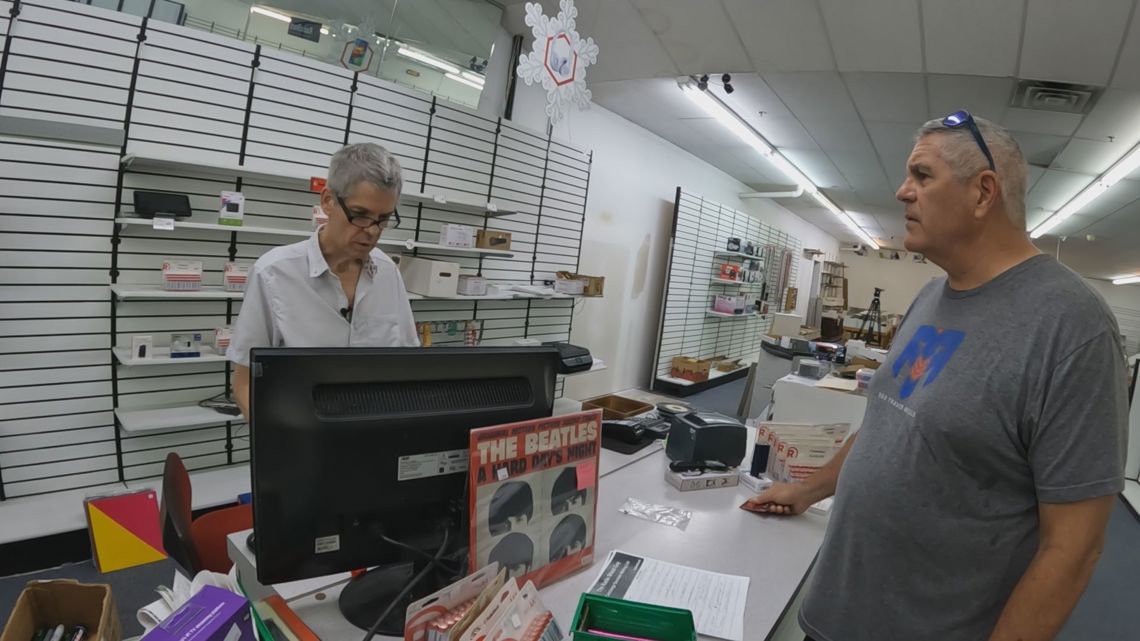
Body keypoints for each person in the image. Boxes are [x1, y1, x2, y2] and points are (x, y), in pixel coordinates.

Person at [746, 111, 1128, 641]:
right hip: (834, 613)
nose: (903, 192)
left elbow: (1073, 549)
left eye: (922, 176)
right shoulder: (931, 296)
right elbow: (889, 422)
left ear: (983, 192)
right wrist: (809, 491)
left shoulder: (1073, 327)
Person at [226, 143, 419, 418]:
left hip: (374, 435)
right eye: (360, 215)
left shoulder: (388, 273)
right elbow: (244, 381)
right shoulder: (273, 274)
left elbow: (407, 363)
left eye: (384, 219)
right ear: (328, 200)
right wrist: (276, 440)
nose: (373, 232)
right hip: (301, 439)